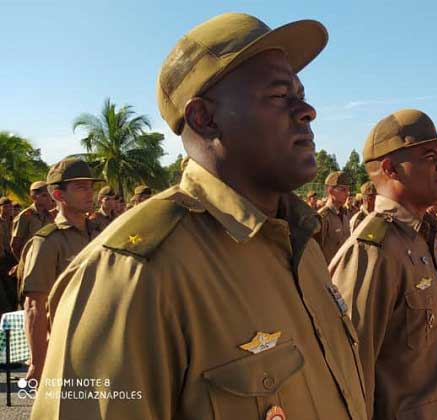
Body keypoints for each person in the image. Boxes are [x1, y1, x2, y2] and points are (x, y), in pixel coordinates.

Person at [32, 13, 368, 419]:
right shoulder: (132, 275)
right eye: (281, 95)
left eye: (301, 93)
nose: (307, 110)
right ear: (203, 118)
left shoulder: (299, 244)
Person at [331, 109, 437, 420]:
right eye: (429, 156)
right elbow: (349, 378)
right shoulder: (372, 252)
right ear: (391, 169)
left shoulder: (422, 237)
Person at [20, 158, 99, 383]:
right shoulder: (48, 241)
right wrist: (38, 361)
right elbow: (34, 306)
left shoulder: (99, 233)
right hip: (64, 349)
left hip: (100, 345)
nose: (89, 193)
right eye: (81, 187)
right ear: (58, 195)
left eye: (90, 186)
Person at [10, 181, 53, 260]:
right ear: (33, 197)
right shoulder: (25, 216)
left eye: (50, 195)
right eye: (44, 195)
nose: (49, 198)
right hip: (30, 259)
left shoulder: (49, 215)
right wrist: (23, 263)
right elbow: (15, 245)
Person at [316, 171, 352, 263]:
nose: (347, 193)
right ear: (330, 190)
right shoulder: (322, 217)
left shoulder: (345, 214)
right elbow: (315, 253)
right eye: (343, 189)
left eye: (348, 189)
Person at [0, 197, 16, 312]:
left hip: (13, 257)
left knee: (13, 285)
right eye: (5, 207)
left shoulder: (15, 221)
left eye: (10, 206)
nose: (9, 209)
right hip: (2, 257)